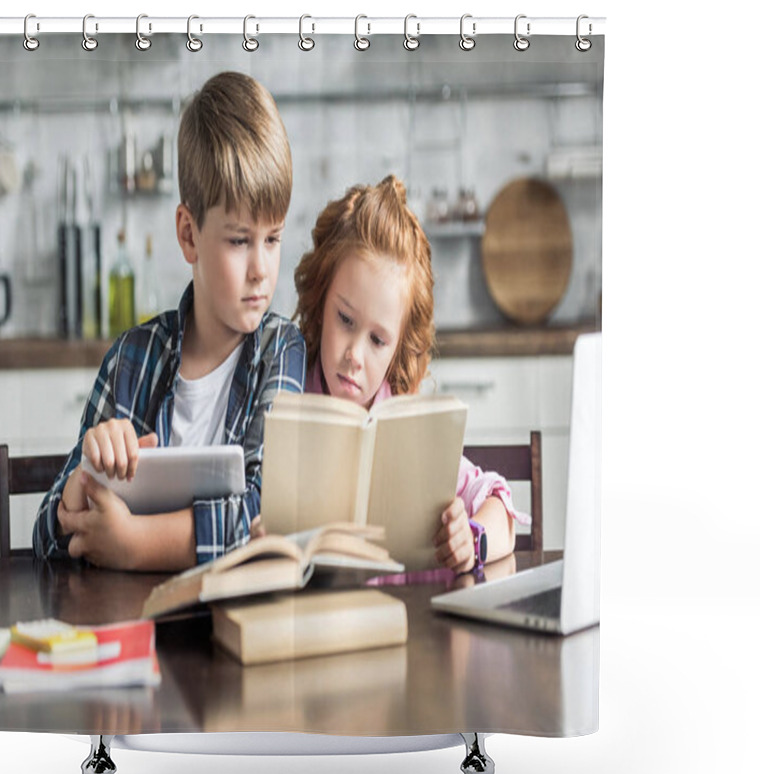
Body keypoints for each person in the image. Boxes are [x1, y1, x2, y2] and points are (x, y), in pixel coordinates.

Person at [33, 71, 305, 571]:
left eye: (272, 239)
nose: (262, 269)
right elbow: (47, 533)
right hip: (133, 630)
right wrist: (84, 480)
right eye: (240, 240)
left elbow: (269, 516)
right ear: (188, 234)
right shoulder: (132, 358)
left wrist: (133, 543)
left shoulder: (281, 349)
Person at [253, 175, 529, 572]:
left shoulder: (404, 424)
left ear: (400, 346)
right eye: (345, 319)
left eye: (378, 340)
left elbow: (500, 504)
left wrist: (472, 538)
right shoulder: (284, 389)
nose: (354, 355)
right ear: (320, 297)